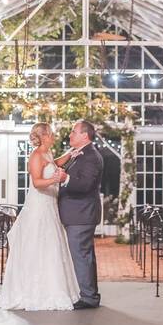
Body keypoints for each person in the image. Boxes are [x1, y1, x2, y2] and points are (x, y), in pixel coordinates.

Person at [0, 122, 80, 310]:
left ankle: (53, 288)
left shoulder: (47, 153)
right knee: (38, 244)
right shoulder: (35, 156)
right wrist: (55, 179)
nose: (54, 136)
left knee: (52, 246)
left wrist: (69, 155)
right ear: (44, 137)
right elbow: (38, 182)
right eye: (51, 134)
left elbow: (53, 163)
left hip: (50, 205)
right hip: (39, 205)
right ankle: (33, 291)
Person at [58, 119, 103, 309]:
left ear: (84, 135)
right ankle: (88, 293)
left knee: (81, 255)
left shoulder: (91, 156)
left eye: (73, 132)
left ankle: (89, 297)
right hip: (78, 214)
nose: (70, 135)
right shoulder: (80, 154)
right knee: (84, 255)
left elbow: (85, 185)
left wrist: (65, 178)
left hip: (81, 214)